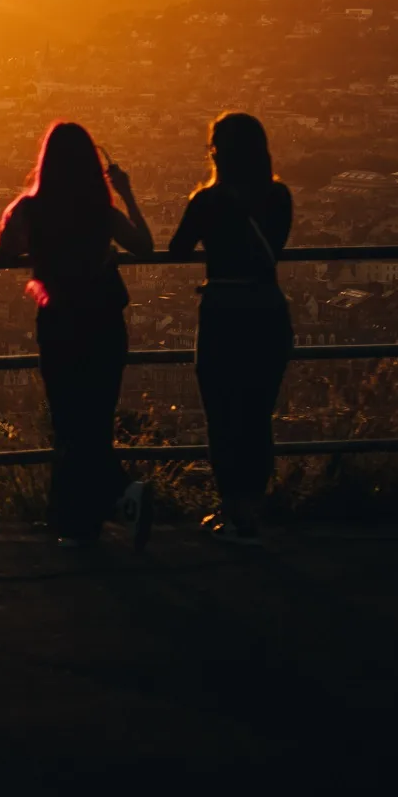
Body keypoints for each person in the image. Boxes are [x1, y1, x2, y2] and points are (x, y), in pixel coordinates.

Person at [0, 122, 155, 545]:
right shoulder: (101, 213)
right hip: (104, 323)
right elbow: (145, 245)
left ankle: (89, 513)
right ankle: (102, 508)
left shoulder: (30, 209)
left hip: (60, 323)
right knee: (97, 420)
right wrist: (127, 193)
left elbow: (6, 249)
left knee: (67, 421)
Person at [168, 113, 294, 545]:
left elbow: (177, 249)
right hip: (269, 311)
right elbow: (273, 247)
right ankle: (252, 511)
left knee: (223, 416)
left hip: (223, 313)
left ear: (216, 152)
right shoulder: (279, 197)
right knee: (258, 415)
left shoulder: (208, 201)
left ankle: (231, 510)